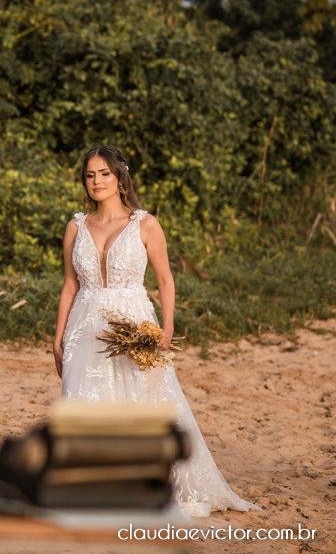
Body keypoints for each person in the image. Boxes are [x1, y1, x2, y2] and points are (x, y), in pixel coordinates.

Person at [52, 145, 258, 517]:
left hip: (134, 323)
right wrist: (58, 336)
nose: (97, 181)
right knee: (85, 403)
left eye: (104, 174)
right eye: (90, 175)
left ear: (119, 178)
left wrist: (167, 327)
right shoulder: (75, 227)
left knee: (144, 404)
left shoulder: (144, 224)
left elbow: (165, 279)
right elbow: (69, 286)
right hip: (84, 328)